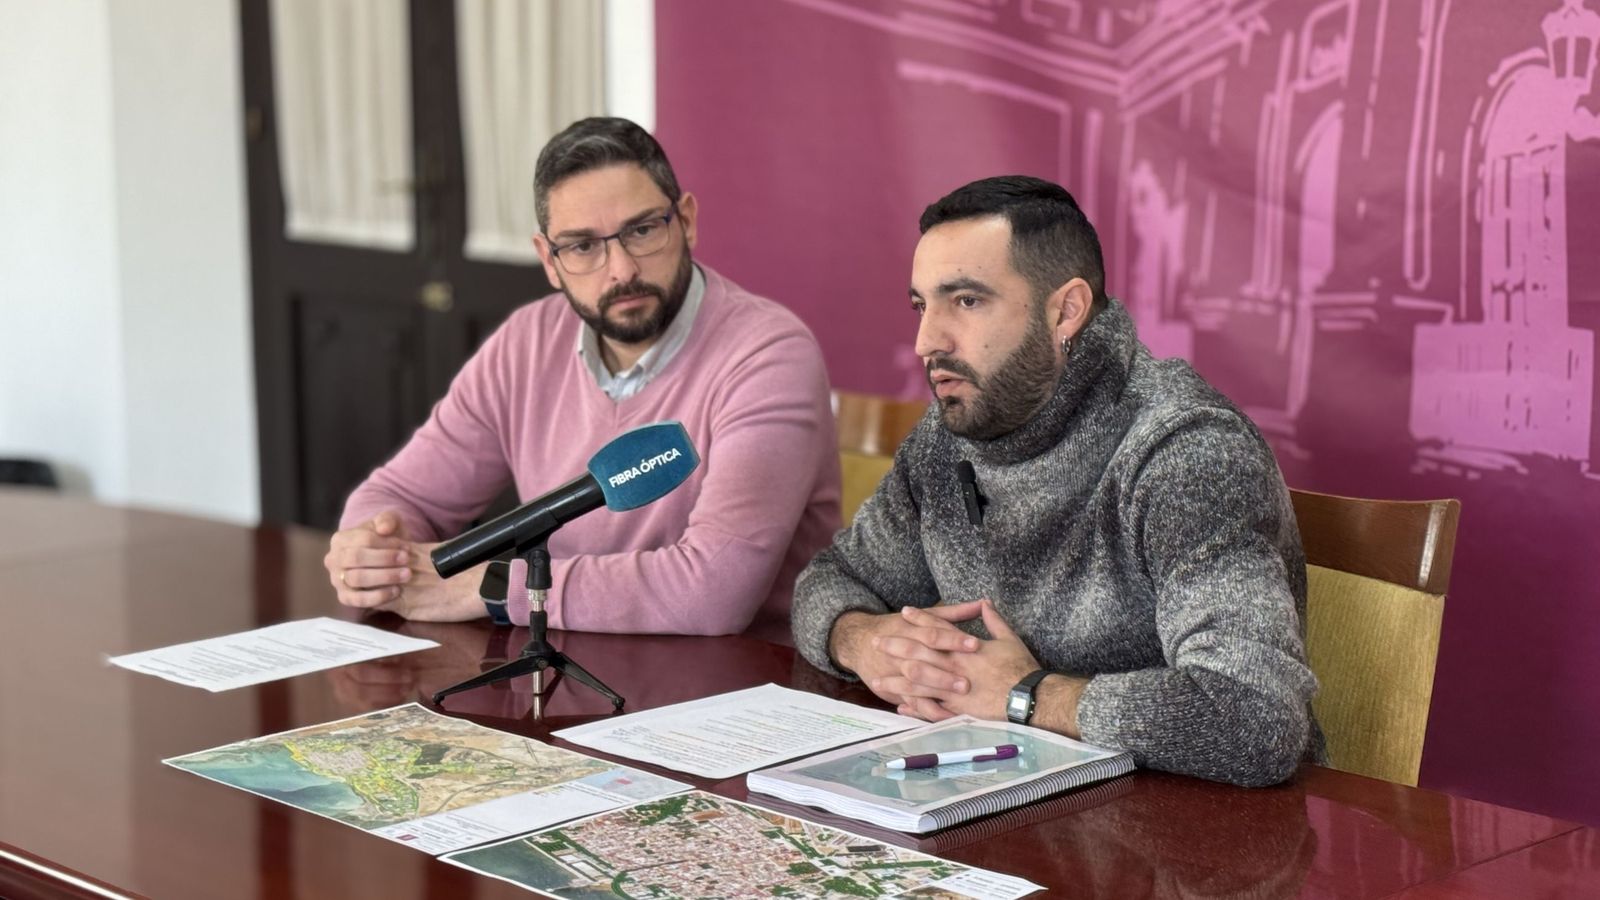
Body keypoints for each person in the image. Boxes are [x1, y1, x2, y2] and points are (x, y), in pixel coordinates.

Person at [791, 175, 1319, 786]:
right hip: (995, 796)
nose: (926, 341)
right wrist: (865, 642)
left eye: (967, 301)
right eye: (921, 305)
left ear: (1066, 310)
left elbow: (1254, 719)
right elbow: (830, 581)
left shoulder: (1186, 450)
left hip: (1187, 825)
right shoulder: (946, 439)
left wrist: (1028, 696)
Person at [325, 117, 839, 643]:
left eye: (642, 230)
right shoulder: (526, 342)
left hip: (731, 678)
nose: (621, 269)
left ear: (685, 221)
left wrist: (493, 587)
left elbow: (714, 592)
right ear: (549, 261)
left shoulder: (769, 354)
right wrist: (374, 551)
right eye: (582, 246)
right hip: (558, 663)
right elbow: (400, 494)